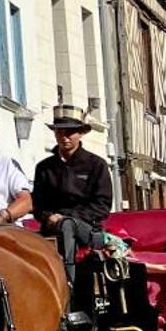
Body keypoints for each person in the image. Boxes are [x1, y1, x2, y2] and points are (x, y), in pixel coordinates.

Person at [32, 104, 113, 283]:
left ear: (80, 133)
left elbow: (102, 205)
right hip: (52, 227)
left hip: (88, 229)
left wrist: (65, 217)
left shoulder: (96, 165)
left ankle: (69, 283)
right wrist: (48, 217)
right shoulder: (44, 168)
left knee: (68, 225)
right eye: (60, 132)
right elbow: (37, 205)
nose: (64, 137)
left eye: (70, 132)